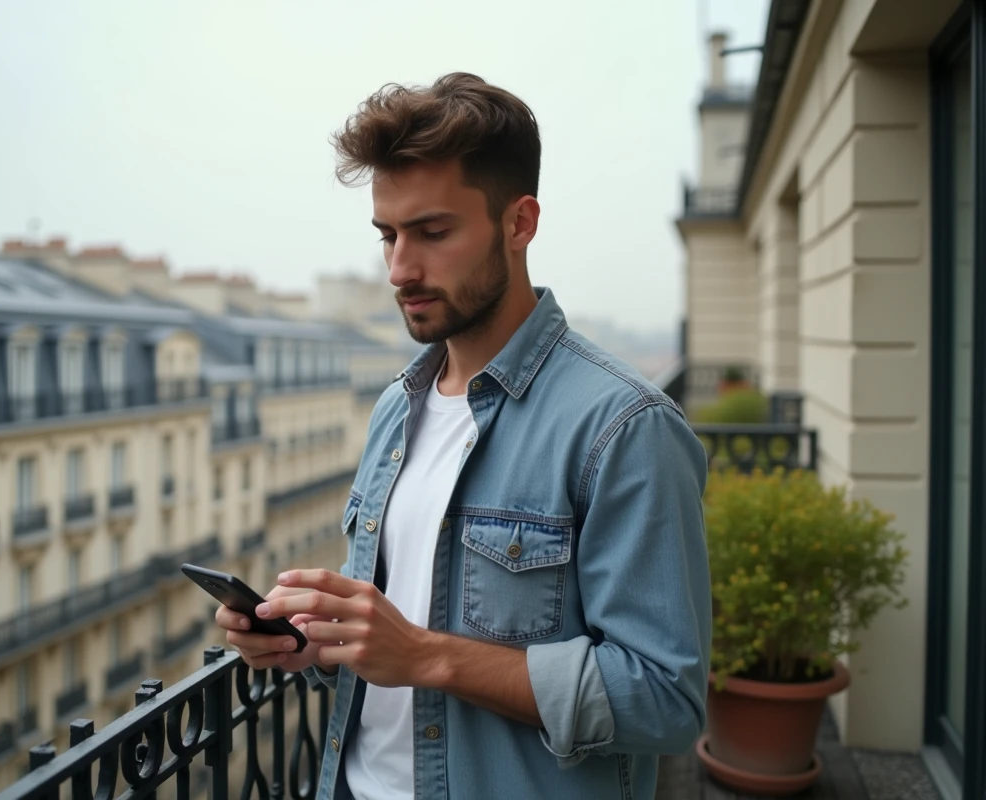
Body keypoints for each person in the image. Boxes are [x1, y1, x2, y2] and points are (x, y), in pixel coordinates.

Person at [214, 72, 711, 800]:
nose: (399, 269)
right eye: (388, 235)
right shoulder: (395, 409)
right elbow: (397, 633)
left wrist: (428, 656)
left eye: (433, 232)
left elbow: (666, 700)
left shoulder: (625, 427)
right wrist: (314, 643)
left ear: (520, 224)